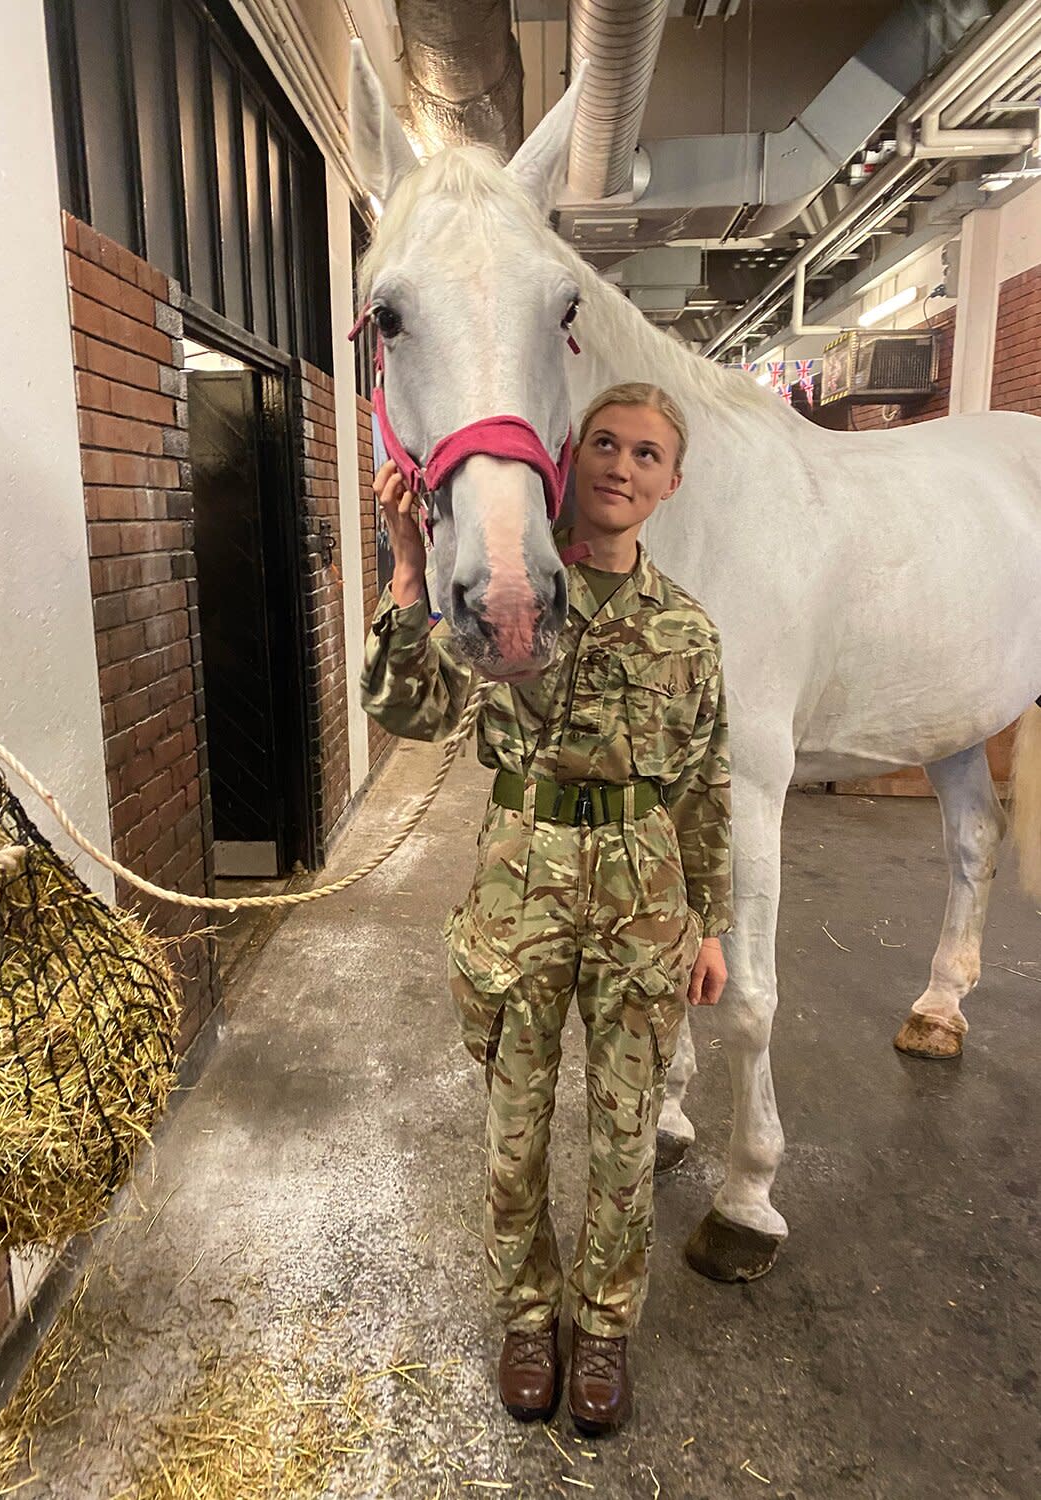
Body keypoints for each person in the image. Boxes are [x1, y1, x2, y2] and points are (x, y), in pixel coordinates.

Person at [360, 382, 731, 1436]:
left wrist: (710, 923)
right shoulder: (518, 592)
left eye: (647, 454)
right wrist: (406, 573)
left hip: (646, 897)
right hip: (522, 888)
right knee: (514, 1136)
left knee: (624, 1143)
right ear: (572, 460)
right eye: (604, 444)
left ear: (669, 483)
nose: (621, 465)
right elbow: (411, 709)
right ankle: (530, 1318)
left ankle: (603, 1331)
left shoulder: (688, 631)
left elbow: (707, 780)